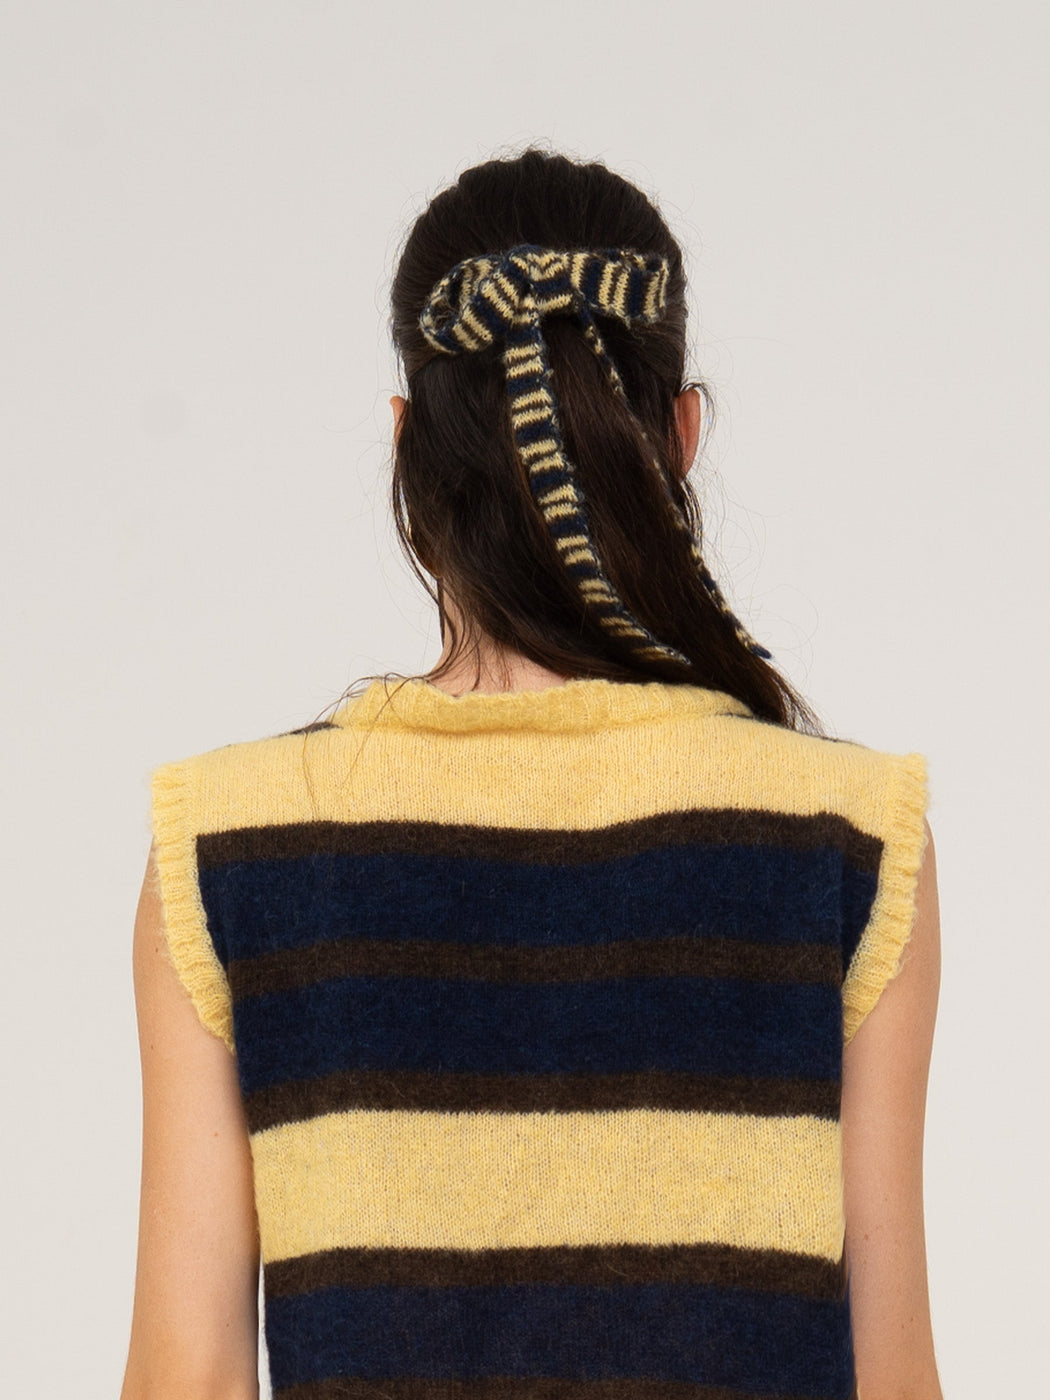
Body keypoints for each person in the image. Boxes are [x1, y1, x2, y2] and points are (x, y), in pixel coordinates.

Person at [121, 146, 943, 1400]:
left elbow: (186, 1378)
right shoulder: (851, 840)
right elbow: (892, 1376)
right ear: (681, 434)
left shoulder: (230, 846)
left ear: (408, 444)